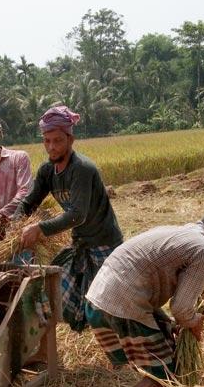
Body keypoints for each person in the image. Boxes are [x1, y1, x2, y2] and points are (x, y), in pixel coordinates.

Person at [85, 202, 204, 387]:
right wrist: (194, 321)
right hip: (123, 306)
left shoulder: (178, 231)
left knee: (162, 342)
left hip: (97, 299)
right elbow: (181, 309)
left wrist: (168, 323)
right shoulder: (203, 250)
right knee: (163, 376)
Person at [16, 105, 124, 332]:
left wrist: (39, 228)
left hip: (105, 245)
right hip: (80, 246)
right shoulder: (47, 171)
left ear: (70, 139)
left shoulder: (81, 169)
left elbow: (77, 215)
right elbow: (29, 202)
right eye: (46, 141)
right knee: (49, 294)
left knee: (113, 308)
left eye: (57, 141)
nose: (51, 147)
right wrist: (13, 226)